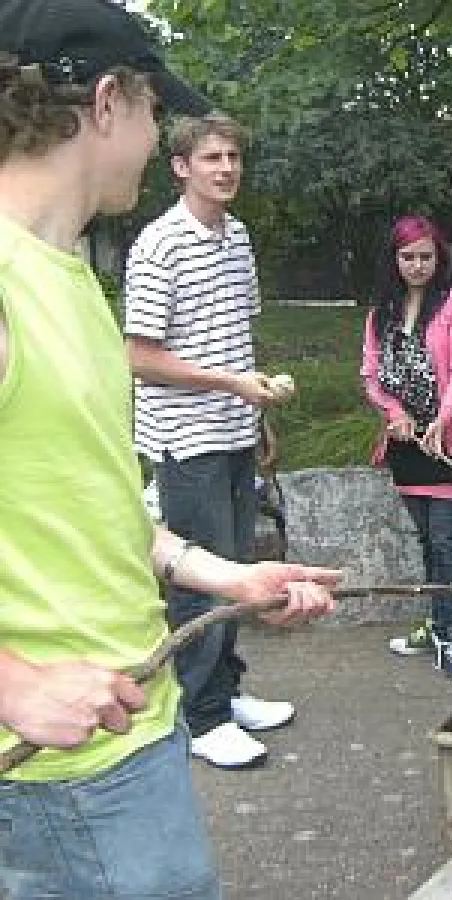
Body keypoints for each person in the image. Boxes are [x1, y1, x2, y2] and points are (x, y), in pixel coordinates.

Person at [0, 1, 339, 897]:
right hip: (56, 777)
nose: (159, 138)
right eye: (155, 111)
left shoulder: (66, 275)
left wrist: (222, 577)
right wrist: (10, 687)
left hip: (131, 737)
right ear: (108, 102)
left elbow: (83, 504)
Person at [124, 112, 299, 769]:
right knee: (201, 576)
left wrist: (256, 414)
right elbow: (138, 355)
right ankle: (200, 717)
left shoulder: (238, 237)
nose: (225, 168)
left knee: (235, 563)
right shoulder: (160, 243)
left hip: (232, 429)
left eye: (232, 157)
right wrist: (231, 384)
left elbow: (237, 336)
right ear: (180, 167)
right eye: (211, 158)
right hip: (184, 437)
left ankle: (226, 690)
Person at [362, 215, 452, 686]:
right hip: (407, 445)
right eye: (407, 257)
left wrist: (442, 421)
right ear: (394, 260)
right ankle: (438, 622)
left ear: (441, 259)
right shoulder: (382, 314)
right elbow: (371, 376)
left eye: (426, 257)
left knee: (447, 539)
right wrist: (394, 413)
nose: (417, 266)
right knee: (426, 540)